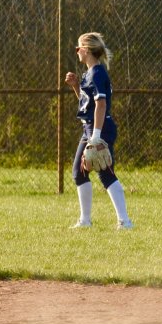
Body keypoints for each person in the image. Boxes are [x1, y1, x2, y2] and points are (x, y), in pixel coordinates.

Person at [64, 32, 133, 230]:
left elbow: (101, 105)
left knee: (106, 173)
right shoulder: (89, 73)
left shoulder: (97, 73)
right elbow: (87, 104)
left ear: (85, 50)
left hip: (99, 129)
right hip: (90, 128)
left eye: (78, 48)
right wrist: (76, 85)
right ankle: (85, 220)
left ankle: (125, 221)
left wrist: (95, 136)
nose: (76, 51)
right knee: (79, 173)